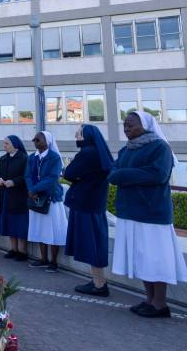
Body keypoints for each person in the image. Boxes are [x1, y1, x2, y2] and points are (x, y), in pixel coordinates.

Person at [109, 111, 187, 318]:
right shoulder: (125, 150)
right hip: (130, 211)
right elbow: (112, 174)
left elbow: (158, 174)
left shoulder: (160, 147)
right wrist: (128, 175)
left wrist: (124, 175)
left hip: (152, 213)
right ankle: (149, 299)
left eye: (131, 125)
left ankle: (160, 304)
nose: (127, 129)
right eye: (125, 126)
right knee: (142, 258)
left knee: (156, 258)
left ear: (145, 125)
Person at [64, 125, 115, 297]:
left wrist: (77, 176)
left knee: (92, 245)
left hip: (85, 203)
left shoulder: (87, 153)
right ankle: (97, 281)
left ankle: (99, 284)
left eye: (79, 134)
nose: (76, 137)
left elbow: (69, 173)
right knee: (95, 243)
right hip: (95, 203)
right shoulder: (99, 152)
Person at [26, 131, 67, 272]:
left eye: (39, 139)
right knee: (39, 228)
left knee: (53, 230)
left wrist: (35, 189)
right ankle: (43, 258)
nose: (35, 141)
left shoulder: (54, 158)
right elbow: (27, 175)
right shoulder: (32, 157)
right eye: (35, 139)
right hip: (36, 199)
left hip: (51, 198)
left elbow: (52, 177)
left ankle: (53, 261)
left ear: (47, 141)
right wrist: (31, 190)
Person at [0, 136, 30, 261]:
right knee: (9, 224)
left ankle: (22, 251)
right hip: (5, 195)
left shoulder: (24, 159)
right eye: (4, 143)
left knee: (19, 225)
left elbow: (27, 177)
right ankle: (13, 249)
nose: (4, 145)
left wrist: (14, 182)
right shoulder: (3, 159)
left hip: (19, 197)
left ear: (15, 144)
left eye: (7, 143)